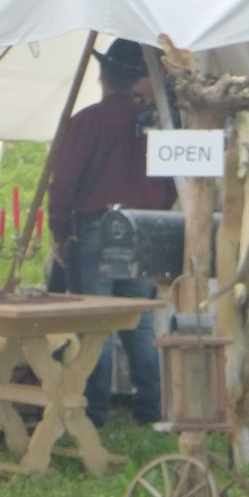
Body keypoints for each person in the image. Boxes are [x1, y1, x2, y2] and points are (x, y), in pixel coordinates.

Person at [47, 38, 176, 427]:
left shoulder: (87, 122)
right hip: (142, 226)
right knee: (137, 324)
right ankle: (152, 409)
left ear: (103, 76)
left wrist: (59, 229)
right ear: (140, 79)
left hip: (98, 228)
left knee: (95, 325)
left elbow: (64, 183)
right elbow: (171, 186)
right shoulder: (156, 125)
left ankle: (95, 412)